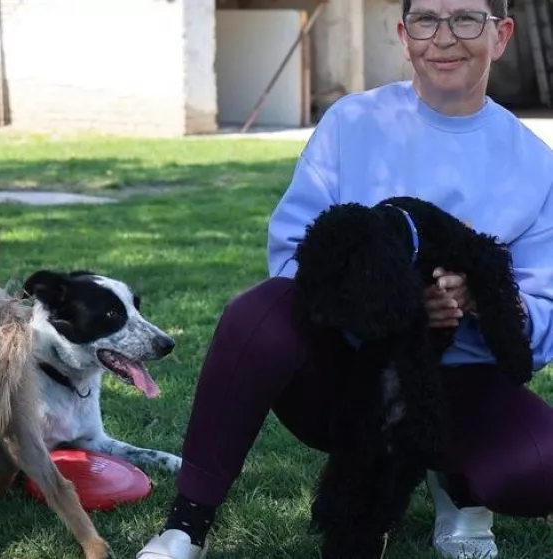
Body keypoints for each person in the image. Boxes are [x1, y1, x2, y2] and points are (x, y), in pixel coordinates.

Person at [137, 0, 553, 557]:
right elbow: (292, 259)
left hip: (461, 379)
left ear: (500, 35)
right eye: (427, 20)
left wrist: (478, 297)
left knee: (538, 468)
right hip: (351, 369)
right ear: (404, 36)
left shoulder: (534, 163)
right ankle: (186, 525)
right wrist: (399, 306)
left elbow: (544, 315)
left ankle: (457, 485)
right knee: (259, 311)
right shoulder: (352, 122)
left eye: (466, 19)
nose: (445, 37)